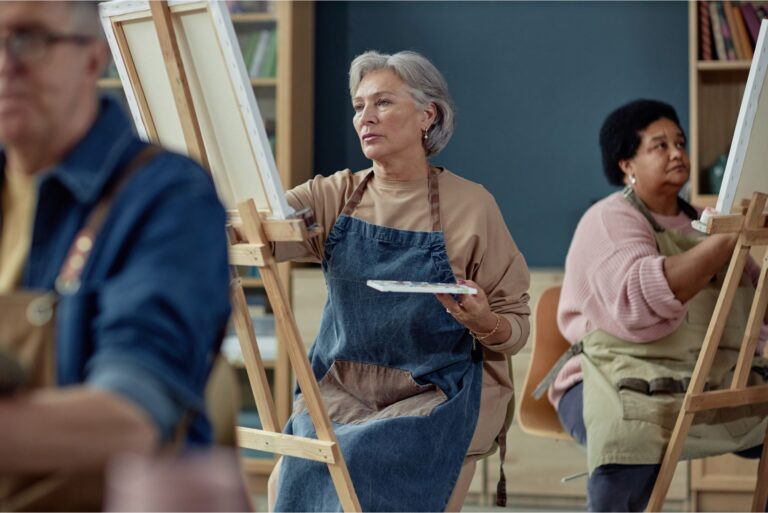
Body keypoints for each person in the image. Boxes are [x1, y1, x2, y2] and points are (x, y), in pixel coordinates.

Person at [268, 50, 530, 512]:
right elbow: (263, 227)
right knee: (290, 478)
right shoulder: (333, 196)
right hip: (342, 389)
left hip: (436, 395)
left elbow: (515, 328)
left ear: (427, 115)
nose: (365, 117)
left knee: (359, 464)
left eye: (383, 103)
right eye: (358, 106)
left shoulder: (472, 207)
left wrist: (484, 319)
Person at [0, 2, 231, 510]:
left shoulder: (166, 198)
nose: (4, 63)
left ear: (92, 58)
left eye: (28, 39)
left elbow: (133, 416)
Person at [548, 99, 768, 511]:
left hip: (703, 378)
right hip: (613, 375)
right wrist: (725, 240)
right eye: (659, 145)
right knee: (628, 441)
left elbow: (756, 299)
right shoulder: (608, 219)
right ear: (626, 164)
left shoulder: (709, 220)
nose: (677, 153)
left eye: (680, 142)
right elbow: (642, 299)